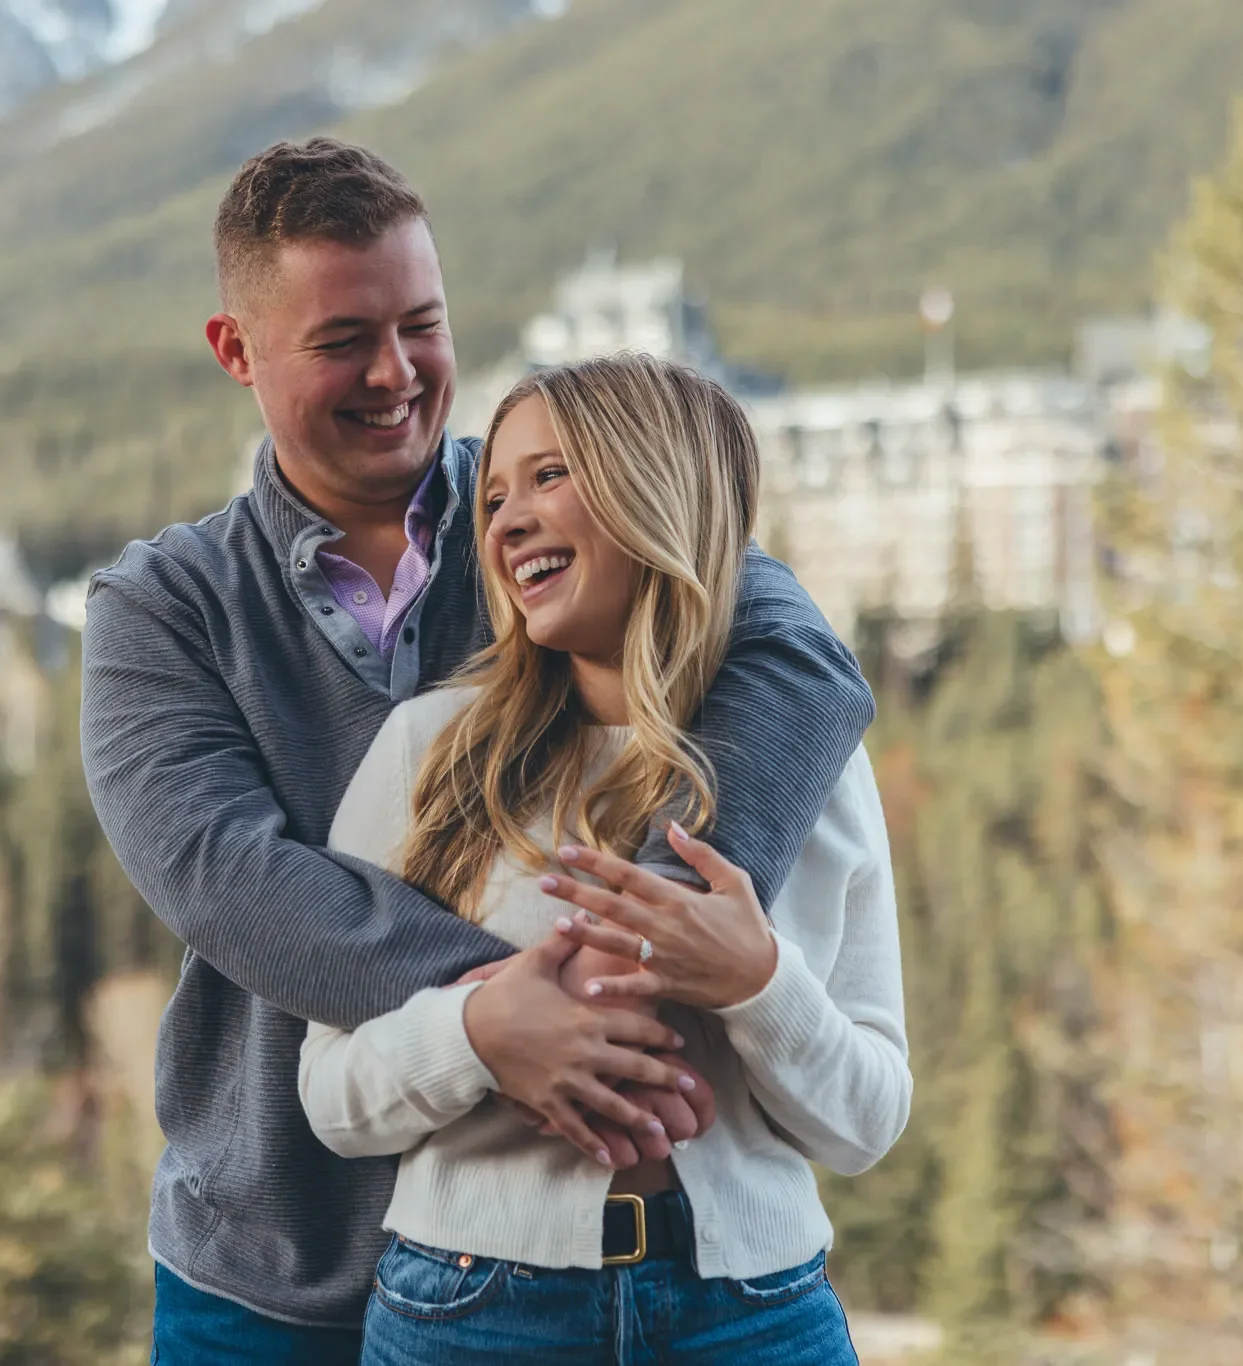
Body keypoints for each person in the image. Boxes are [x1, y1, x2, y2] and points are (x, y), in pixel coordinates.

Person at [80, 137, 876, 1364]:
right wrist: (510, 1013)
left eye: (423, 324)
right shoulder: (165, 608)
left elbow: (795, 654)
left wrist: (653, 936)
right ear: (235, 352)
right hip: (272, 1262)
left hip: (586, 1255)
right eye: (343, 339)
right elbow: (233, 885)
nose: (396, 373)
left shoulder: (559, 526)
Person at [299, 353, 910, 1365]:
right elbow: (331, 1095)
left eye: (549, 476)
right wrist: (477, 1033)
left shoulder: (814, 768)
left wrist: (757, 984)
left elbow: (867, 1120)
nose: (505, 520)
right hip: (469, 1313)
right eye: (494, 495)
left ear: (656, 484)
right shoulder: (426, 752)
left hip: (753, 1316)